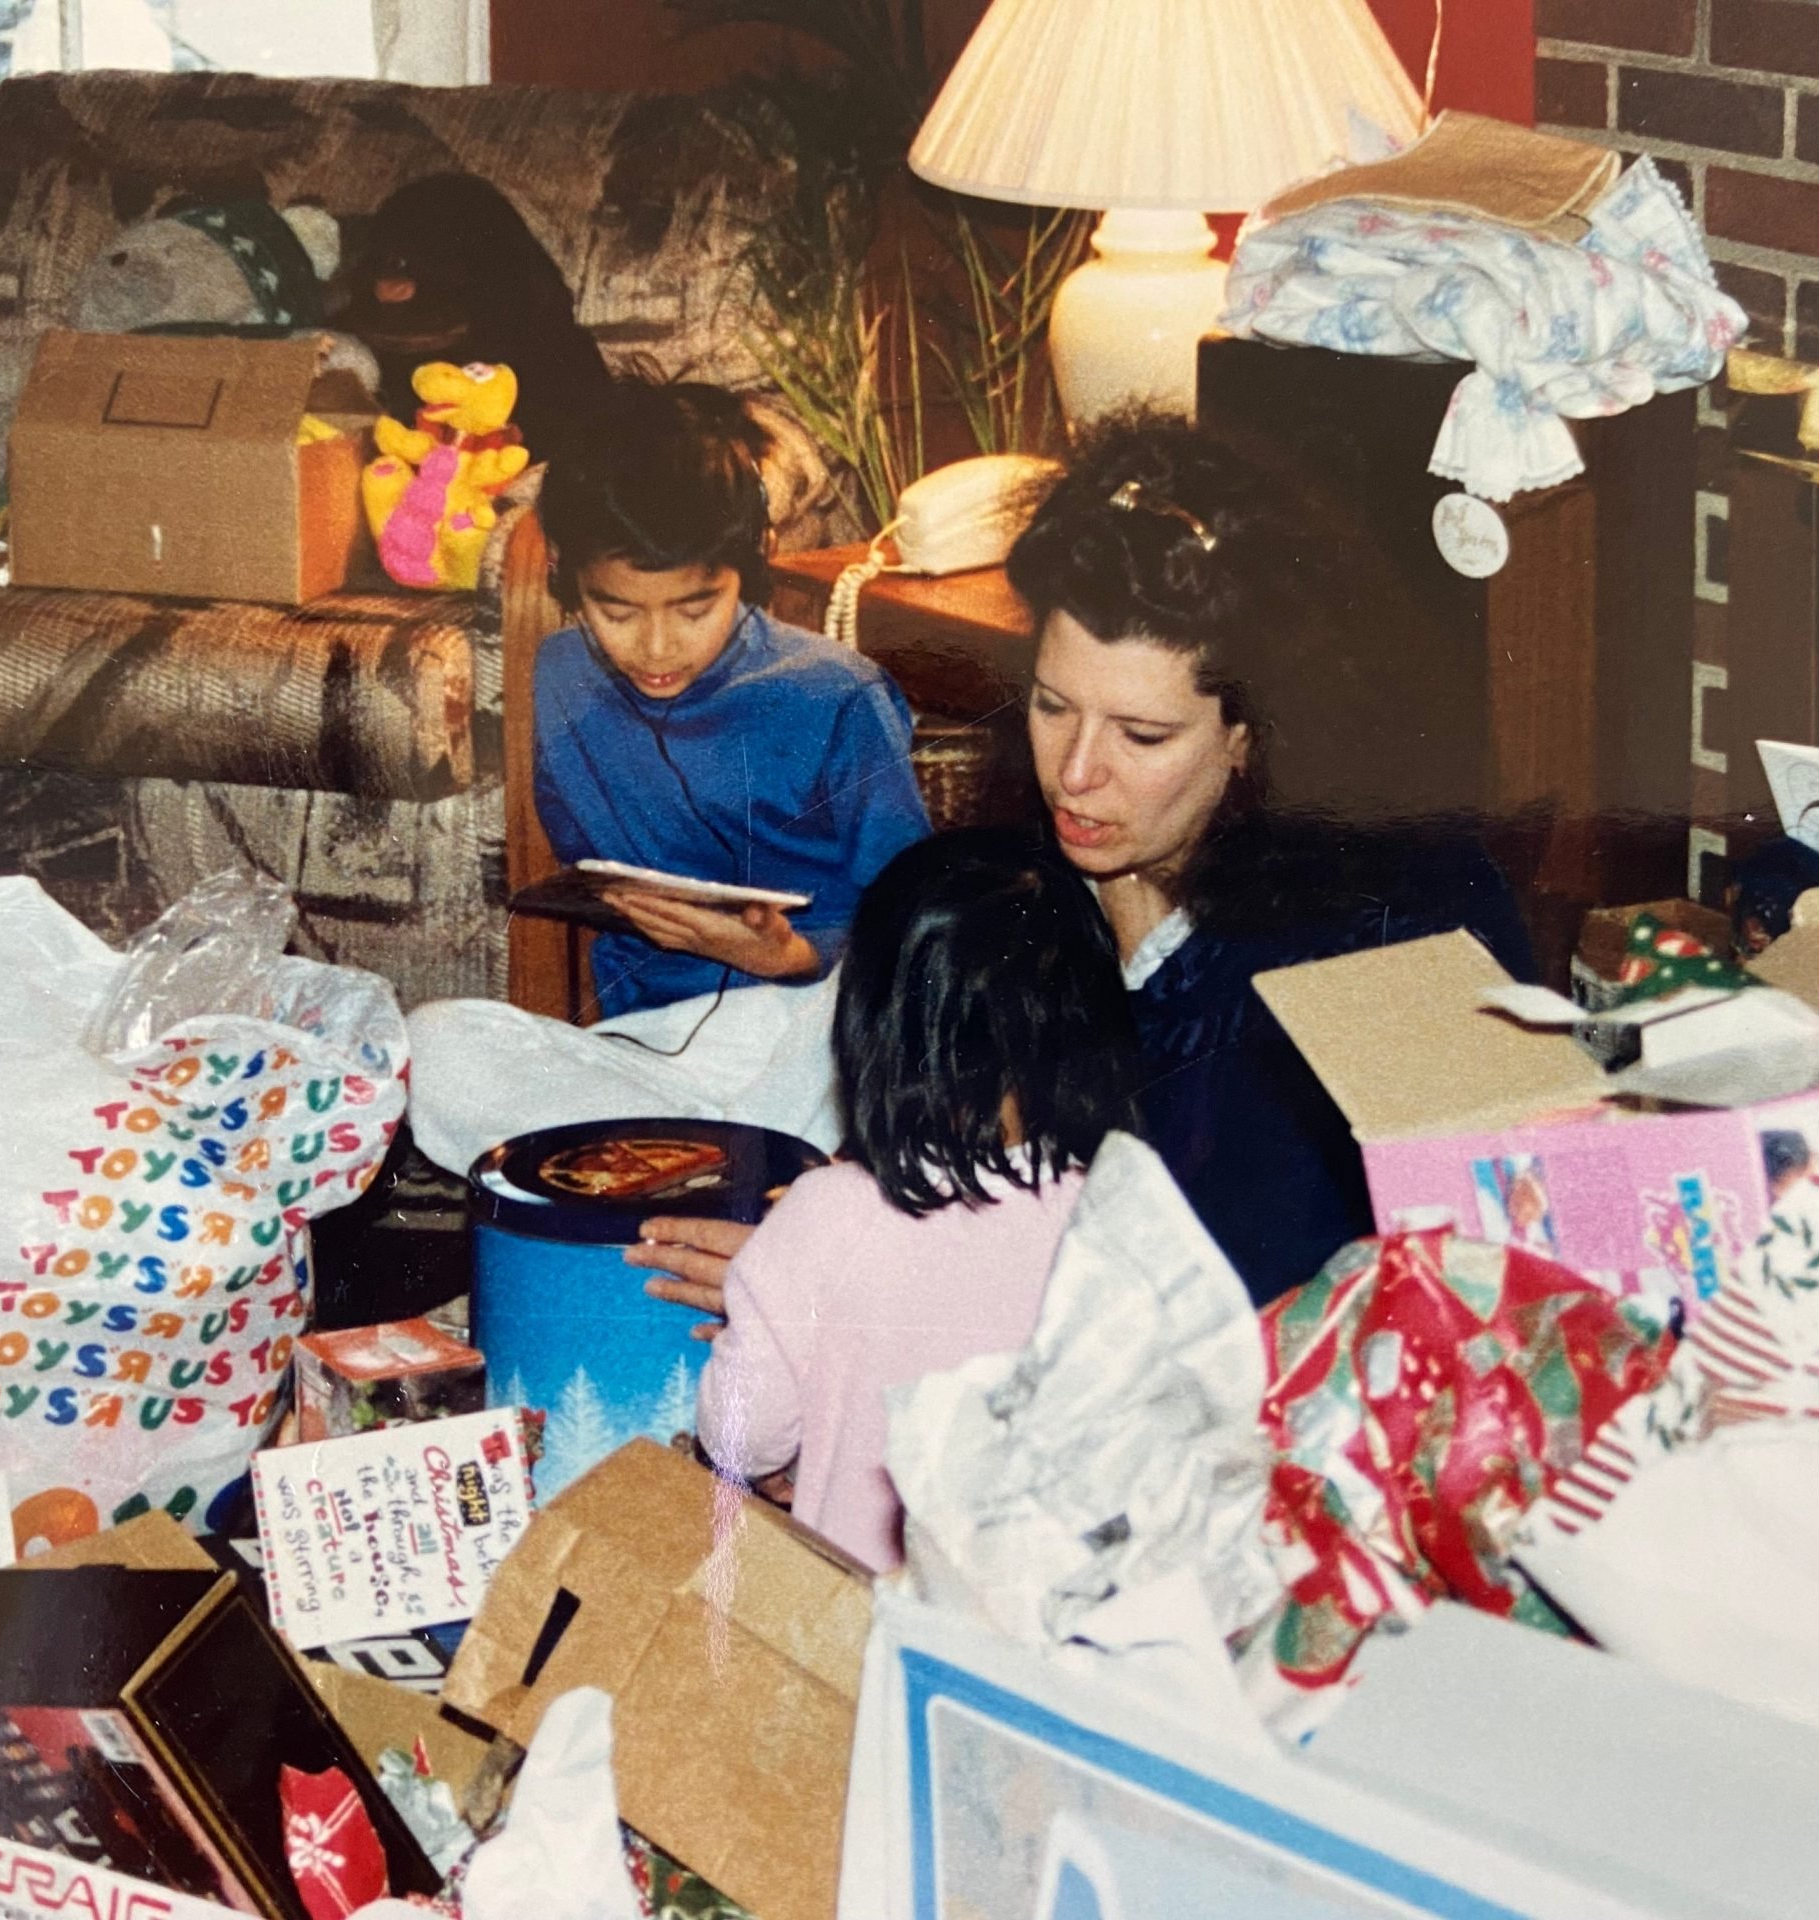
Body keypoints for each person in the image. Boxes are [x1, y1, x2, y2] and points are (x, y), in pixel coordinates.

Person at [635, 414, 1533, 1314]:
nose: (1073, 773)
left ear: (1251, 737)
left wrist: (877, 1296)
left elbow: (1341, 1298)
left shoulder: (1388, 929)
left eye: (1143, 735)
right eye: (1052, 705)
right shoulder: (1025, 881)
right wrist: (839, 1235)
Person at [693, 829, 1136, 1571]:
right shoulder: (1119, 1211)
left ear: (873, 1020)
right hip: (1048, 1631)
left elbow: (742, 1437)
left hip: (859, 1630)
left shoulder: (828, 1211)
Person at [530, 380, 931, 1017]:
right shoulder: (560, 675)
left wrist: (788, 956)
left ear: (754, 564)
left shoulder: (838, 697)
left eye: (696, 608)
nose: (657, 648)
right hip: (643, 1034)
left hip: (813, 1022)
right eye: (617, 611)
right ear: (560, 566)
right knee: (444, 1042)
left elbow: (915, 918)